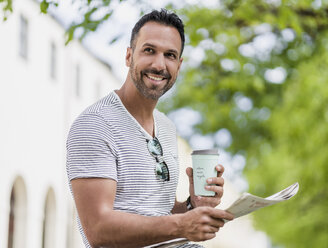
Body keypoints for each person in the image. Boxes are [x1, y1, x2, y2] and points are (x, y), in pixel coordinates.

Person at [66, 9, 234, 248]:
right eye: (149, 50)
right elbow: (98, 228)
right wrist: (182, 225)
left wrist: (191, 205)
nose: (159, 64)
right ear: (128, 56)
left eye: (170, 55)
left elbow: (159, 212)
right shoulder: (95, 124)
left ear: (179, 64)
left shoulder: (166, 127)